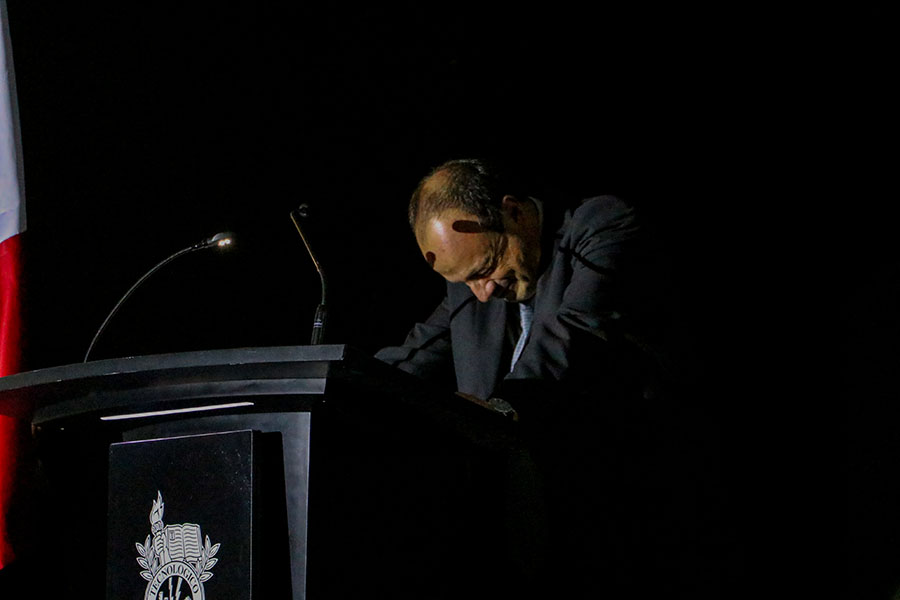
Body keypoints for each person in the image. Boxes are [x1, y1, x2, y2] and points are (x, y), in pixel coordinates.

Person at [376, 159, 711, 598]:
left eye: (483, 270)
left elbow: (576, 331)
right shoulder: (474, 276)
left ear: (513, 212)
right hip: (521, 523)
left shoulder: (599, 225)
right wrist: (343, 383)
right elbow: (422, 346)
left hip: (628, 510)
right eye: (464, 282)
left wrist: (501, 410)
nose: (481, 293)